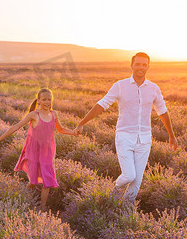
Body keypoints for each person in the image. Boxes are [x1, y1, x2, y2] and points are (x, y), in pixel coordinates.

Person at [74, 52, 177, 205]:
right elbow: (102, 104)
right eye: (138, 64)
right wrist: (82, 123)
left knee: (137, 180)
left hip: (145, 139)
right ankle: (114, 193)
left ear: (148, 66)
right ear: (131, 65)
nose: (141, 67)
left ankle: (125, 211)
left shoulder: (154, 88)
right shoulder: (120, 86)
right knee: (129, 176)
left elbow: (162, 111)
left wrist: (171, 135)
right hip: (124, 137)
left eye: (144, 64)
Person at [0, 88, 77, 211]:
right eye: (44, 99)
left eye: (49, 99)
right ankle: (21, 196)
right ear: (39, 100)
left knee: (47, 179)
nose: (47, 102)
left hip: (48, 151)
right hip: (33, 151)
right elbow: (15, 127)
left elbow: (61, 129)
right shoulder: (33, 115)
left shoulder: (54, 114)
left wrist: (73, 133)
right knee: (33, 181)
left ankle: (42, 208)